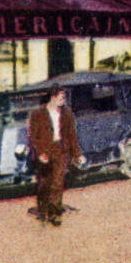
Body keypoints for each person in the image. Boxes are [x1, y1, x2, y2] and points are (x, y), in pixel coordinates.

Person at [27, 86, 84, 225]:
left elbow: (72, 135)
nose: (63, 100)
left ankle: (55, 214)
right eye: (61, 97)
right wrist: (40, 153)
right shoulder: (37, 113)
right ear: (52, 97)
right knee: (44, 183)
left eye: (64, 97)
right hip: (44, 151)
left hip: (60, 150)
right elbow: (33, 136)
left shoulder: (67, 113)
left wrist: (78, 154)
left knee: (58, 183)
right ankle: (43, 210)